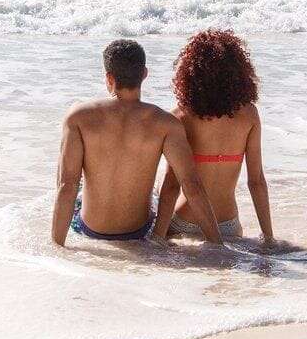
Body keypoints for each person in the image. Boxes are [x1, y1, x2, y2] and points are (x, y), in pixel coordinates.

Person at [51, 39, 223, 246]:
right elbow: (191, 185)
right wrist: (217, 245)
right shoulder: (166, 123)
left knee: (73, 188)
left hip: (90, 229)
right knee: (158, 190)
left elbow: (66, 185)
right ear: (144, 74)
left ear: (109, 77)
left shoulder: (78, 116)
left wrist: (57, 248)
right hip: (139, 232)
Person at [157, 29, 272, 244]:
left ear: (191, 73)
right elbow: (256, 182)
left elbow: (171, 186)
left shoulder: (180, 117)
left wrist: (158, 238)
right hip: (228, 225)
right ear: (238, 73)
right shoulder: (249, 115)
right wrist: (269, 238)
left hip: (185, 222)